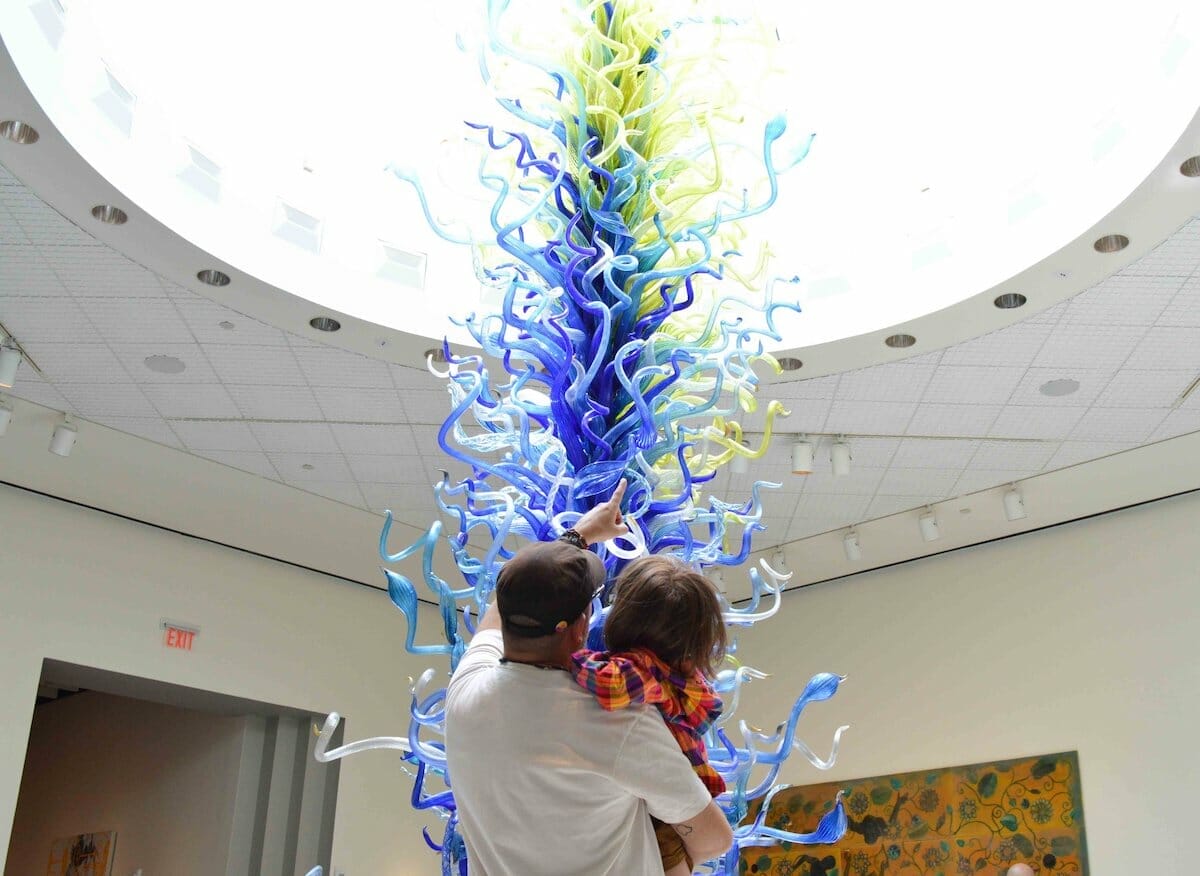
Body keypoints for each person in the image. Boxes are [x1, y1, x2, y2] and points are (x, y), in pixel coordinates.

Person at [445, 480, 734, 875]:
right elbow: (715, 839)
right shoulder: (618, 720)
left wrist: (576, 536)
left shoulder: (466, 691)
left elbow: (497, 612)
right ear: (581, 627)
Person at [571, 555, 729, 876]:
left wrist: (563, 656)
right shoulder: (689, 679)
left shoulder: (641, 670)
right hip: (682, 802)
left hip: (661, 812)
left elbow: (607, 684)